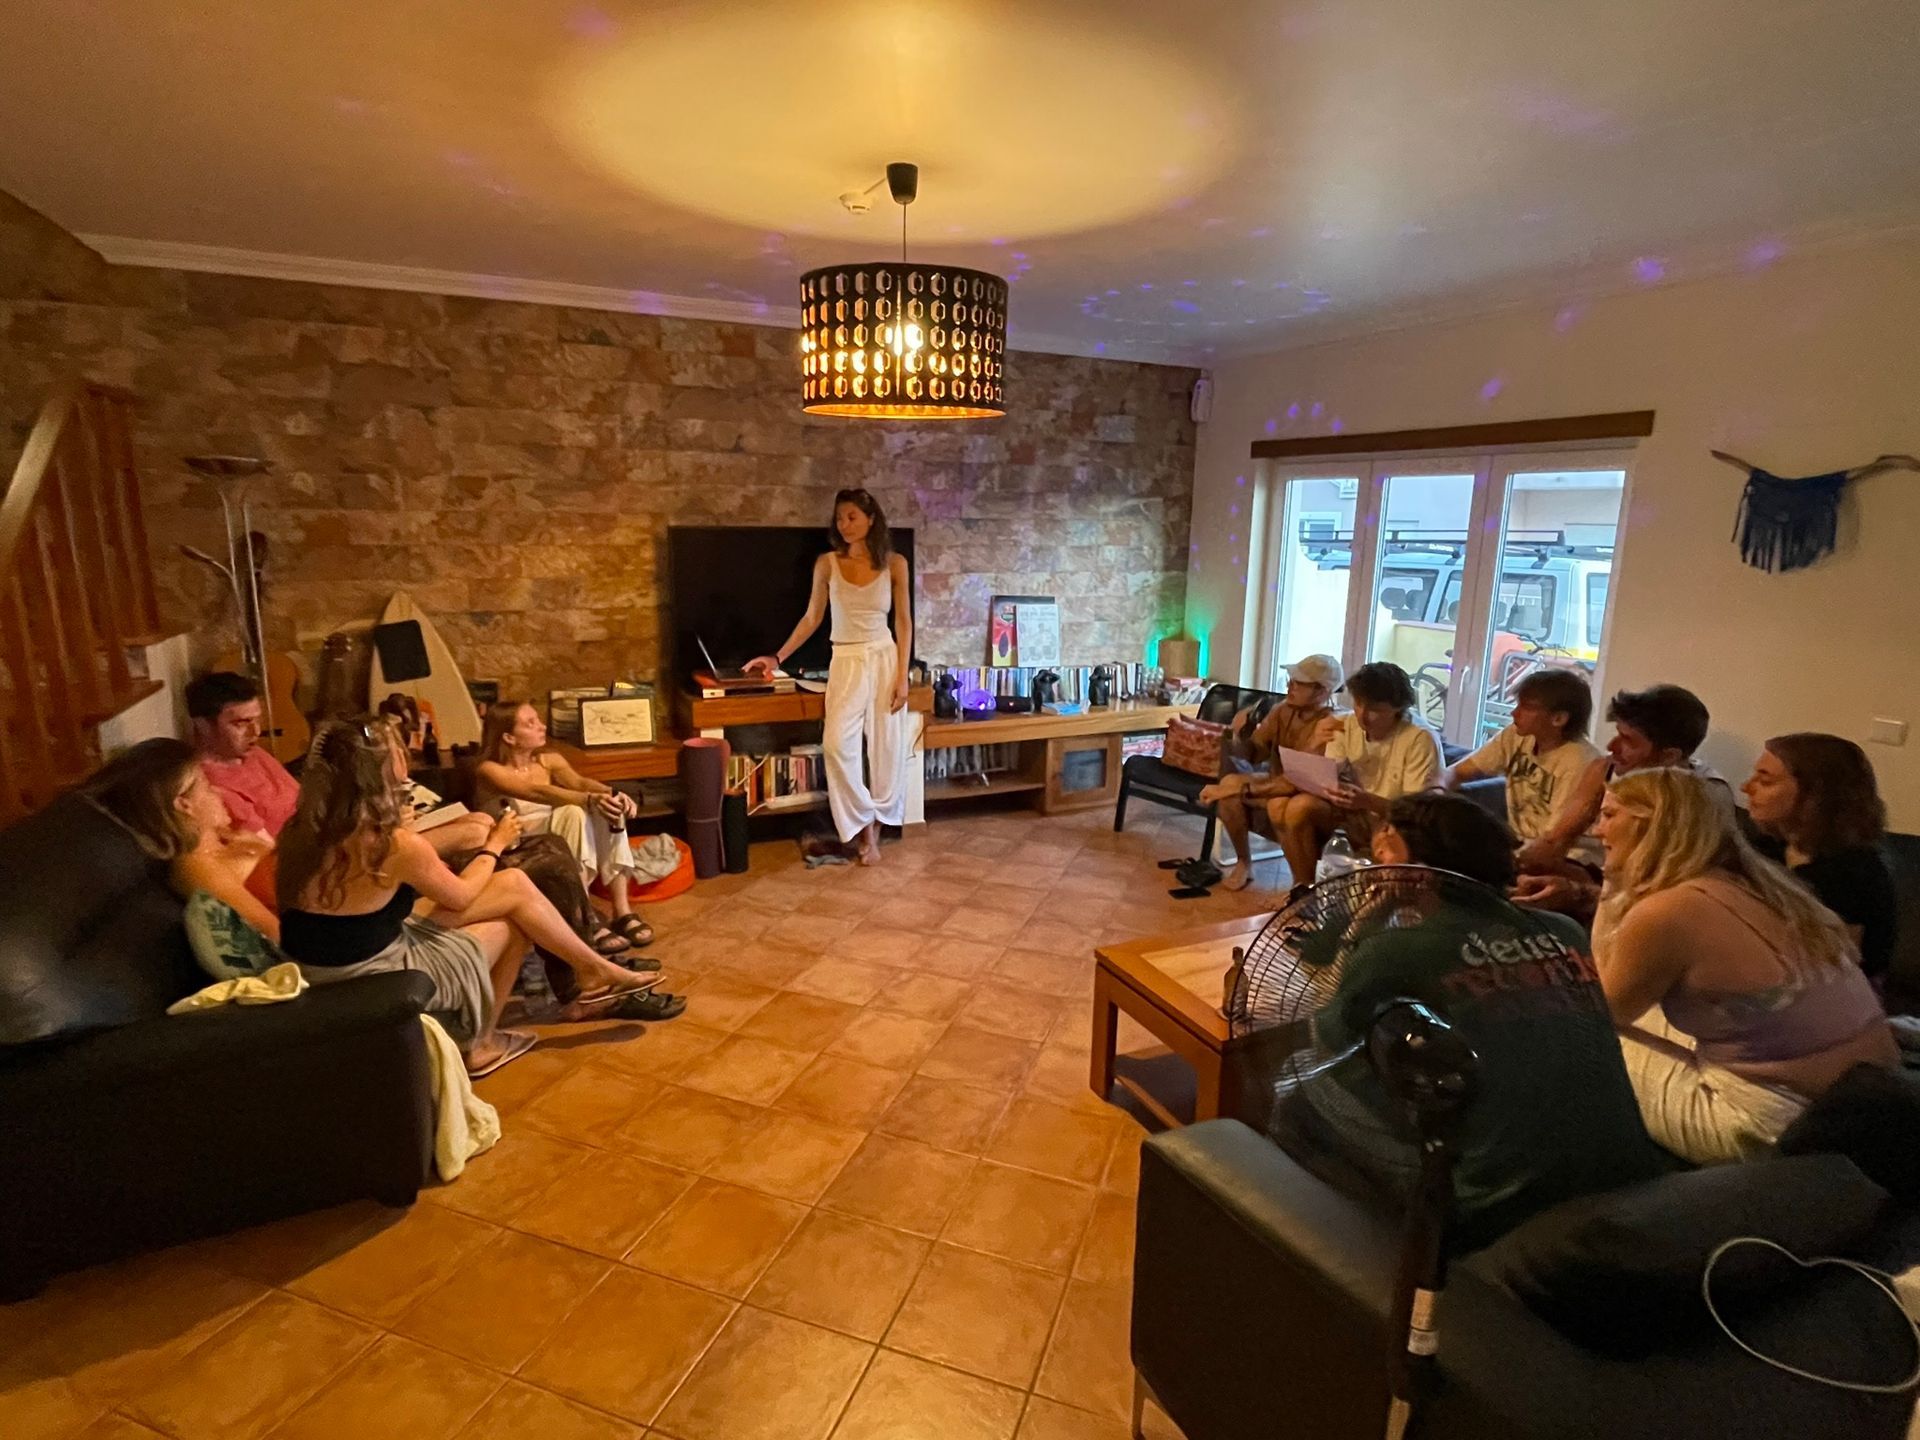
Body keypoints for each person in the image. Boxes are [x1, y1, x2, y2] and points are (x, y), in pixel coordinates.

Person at [277, 719, 658, 1076]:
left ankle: (589, 967)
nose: (404, 766)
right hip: (370, 973)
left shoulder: (299, 829)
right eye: (395, 755)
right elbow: (459, 897)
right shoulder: (390, 843)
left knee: (513, 884)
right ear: (375, 773)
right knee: (513, 923)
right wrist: (494, 844)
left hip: (322, 961)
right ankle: (480, 1045)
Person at [1592, 767, 1896, 1163]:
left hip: (1765, 1122)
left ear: (1653, 824)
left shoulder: (1665, 912)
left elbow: (1596, 1013)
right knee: (1652, 1017)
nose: (1597, 831)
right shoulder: (1765, 886)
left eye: (1610, 815)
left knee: (1566, 1036)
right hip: (1854, 1100)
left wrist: (1612, 884)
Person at [745, 487, 913, 865]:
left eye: (852, 516)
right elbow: (811, 618)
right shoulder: (827, 563)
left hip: (885, 659)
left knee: (887, 749)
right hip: (846, 659)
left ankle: (876, 833)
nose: (845, 524)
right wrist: (777, 657)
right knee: (837, 746)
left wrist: (902, 676)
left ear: (871, 519)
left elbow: (903, 623)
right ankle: (865, 825)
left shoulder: (895, 564)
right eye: (840, 518)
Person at [1511, 682, 1729, 916]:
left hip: (1660, 900)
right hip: (1601, 877)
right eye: (1618, 733)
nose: (1611, 747)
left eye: (1628, 740)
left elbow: (1665, 888)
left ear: (1669, 756)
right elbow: (1556, 839)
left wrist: (1578, 893)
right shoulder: (1603, 769)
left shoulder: (1704, 798)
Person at [474, 700, 653, 953]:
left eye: (538, 720)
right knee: (574, 812)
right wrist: (591, 800)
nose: (541, 726)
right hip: (520, 844)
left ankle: (622, 911)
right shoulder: (489, 770)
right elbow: (537, 792)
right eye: (530, 723)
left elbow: (580, 783)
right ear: (508, 737)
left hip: (559, 837)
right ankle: (584, 916)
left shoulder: (549, 760)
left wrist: (612, 794)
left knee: (608, 810)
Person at [81, 737, 283, 943]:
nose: (218, 791)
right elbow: (274, 932)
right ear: (183, 805)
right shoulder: (195, 865)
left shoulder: (221, 839)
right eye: (206, 785)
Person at [1743, 733, 1898, 981]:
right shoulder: (1768, 847)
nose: (1746, 787)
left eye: (1765, 781)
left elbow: (1835, 972)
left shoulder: (1853, 875)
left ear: (1814, 796)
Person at [1275, 661, 1442, 884]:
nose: (1362, 716)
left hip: (1396, 822)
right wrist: (1330, 783)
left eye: (1374, 710)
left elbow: (1417, 813)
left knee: (1293, 807)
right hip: (1355, 811)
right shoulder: (1347, 724)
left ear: (1397, 709)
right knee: (1295, 808)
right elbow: (1326, 771)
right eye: (1359, 704)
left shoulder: (1419, 739)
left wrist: (1367, 801)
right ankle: (1303, 891)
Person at [1198, 654, 1341, 891]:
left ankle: (1301, 885)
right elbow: (1254, 754)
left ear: (1322, 691)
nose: (1289, 686)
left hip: (1309, 791)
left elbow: (1303, 778)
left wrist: (1241, 787)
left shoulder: (1332, 724)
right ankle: (1244, 862)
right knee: (1229, 785)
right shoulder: (1282, 710)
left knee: (1237, 788)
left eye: (1298, 683)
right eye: (1290, 679)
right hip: (1280, 781)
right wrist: (1240, 734)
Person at [1444, 668, 1603, 873]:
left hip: (1570, 858)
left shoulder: (1581, 762)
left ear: (1558, 719)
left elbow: (1553, 841)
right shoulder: (1516, 736)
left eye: (1526, 707)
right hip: (1521, 846)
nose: (1514, 712)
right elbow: (1457, 772)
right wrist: (1436, 791)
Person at [187, 672, 302, 840]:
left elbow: (301, 797)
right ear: (203, 725)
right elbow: (265, 847)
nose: (255, 732)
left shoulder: (250, 752)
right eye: (241, 723)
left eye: (257, 720)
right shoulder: (210, 786)